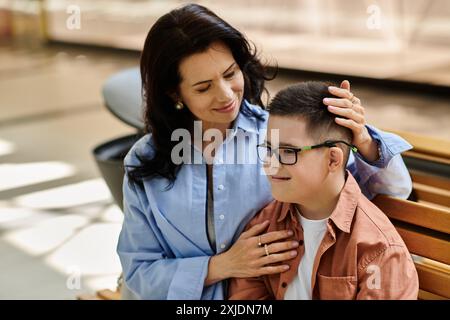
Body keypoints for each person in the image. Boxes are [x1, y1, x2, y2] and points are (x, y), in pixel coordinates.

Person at [116, 3, 413, 300]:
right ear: (174, 94)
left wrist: (361, 137)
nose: (225, 94)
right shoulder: (145, 161)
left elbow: (392, 191)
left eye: (230, 73)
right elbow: (138, 271)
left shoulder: (277, 137)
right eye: (204, 87)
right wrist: (220, 266)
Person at [228, 82, 419, 300]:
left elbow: (399, 187)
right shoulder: (264, 225)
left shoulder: (378, 249)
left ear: (333, 159)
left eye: (288, 152)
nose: (270, 164)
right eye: (268, 149)